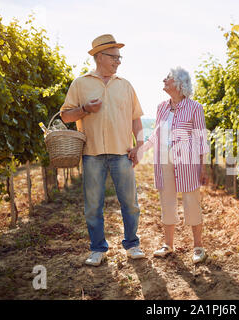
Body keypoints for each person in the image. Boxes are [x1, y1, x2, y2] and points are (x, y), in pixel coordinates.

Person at [60, 34, 146, 266]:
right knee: (93, 206)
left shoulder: (125, 85)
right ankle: (97, 248)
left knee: (130, 203)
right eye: (114, 57)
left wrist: (139, 146)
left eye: (120, 57)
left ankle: (132, 244)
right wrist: (85, 109)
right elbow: (66, 115)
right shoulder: (80, 83)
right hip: (92, 153)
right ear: (99, 57)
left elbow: (136, 119)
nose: (118, 61)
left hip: (122, 153)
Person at [130, 67, 210, 264]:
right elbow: (156, 135)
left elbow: (201, 139)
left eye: (169, 78)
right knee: (167, 202)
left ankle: (198, 247)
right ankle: (168, 245)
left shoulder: (195, 108)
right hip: (163, 160)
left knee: (191, 203)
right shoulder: (162, 107)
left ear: (179, 84)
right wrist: (140, 150)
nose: (164, 79)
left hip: (187, 162)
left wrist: (204, 167)